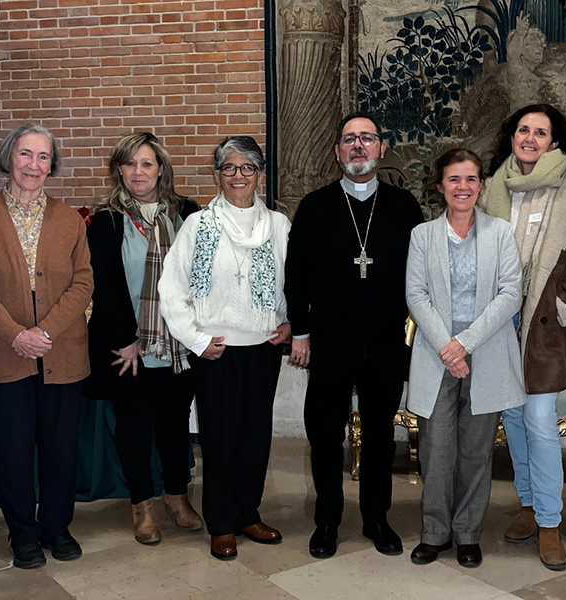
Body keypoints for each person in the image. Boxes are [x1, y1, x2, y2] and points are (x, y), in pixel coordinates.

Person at [285, 111, 424, 559]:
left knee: (381, 435)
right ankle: (327, 520)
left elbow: (419, 278)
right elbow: (296, 276)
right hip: (328, 341)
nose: (358, 146)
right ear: (337, 151)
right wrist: (300, 332)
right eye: (349, 139)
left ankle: (376, 518)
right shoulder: (315, 206)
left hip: (385, 342)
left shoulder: (404, 207)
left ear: (382, 149)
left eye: (367, 138)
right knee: (325, 433)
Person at [478, 103, 566, 571]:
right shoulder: (492, 188)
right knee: (512, 417)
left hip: (544, 327)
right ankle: (529, 506)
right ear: (512, 137)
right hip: (498, 324)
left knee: (538, 419)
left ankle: (550, 523)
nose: (530, 138)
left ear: (554, 142)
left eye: (541, 132)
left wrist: (564, 300)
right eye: (523, 130)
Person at [0, 124, 93, 570]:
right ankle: (23, 534)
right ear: (9, 158)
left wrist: (46, 332)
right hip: (5, 354)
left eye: (43, 157)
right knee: (11, 450)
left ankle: (57, 528)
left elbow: (83, 283)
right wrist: (17, 334)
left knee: (60, 450)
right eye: (25, 154)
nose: (33, 165)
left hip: (63, 354)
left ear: (51, 165)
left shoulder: (69, 219)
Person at [158, 136, 291, 561]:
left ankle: (247, 513)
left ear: (259, 174)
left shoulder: (279, 225)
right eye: (229, 168)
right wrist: (196, 339)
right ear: (217, 175)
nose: (238, 176)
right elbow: (172, 286)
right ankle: (220, 522)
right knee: (220, 438)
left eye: (247, 167)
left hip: (262, 346)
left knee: (255, 436)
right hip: (216, 349)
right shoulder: (199, 226)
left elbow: (291, 280)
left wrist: (288, 322)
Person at [405, 148, 525, 568]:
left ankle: (468, 533)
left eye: (471, 179)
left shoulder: (500, 233)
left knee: (476, 451)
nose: (463, 187)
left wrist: (465, 344)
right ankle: (435, 532)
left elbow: (511, 293)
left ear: (481, 185)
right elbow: (415, 295)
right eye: (454, 179)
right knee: (436, 450)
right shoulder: (422, 236)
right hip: (437, 357)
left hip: (485, 354)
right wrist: (448, 348)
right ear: (441, 186)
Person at [84, 132, 202, 545]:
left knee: (174, 425)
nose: (138, 172)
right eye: (130, 163)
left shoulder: (186, 213)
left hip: (179, 346)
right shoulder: (107, 220)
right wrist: (126, 339)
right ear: (119, 169)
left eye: (147, 163)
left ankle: (176, 495)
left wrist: (196, 333)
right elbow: (105, 284)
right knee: (134, 427)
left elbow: (200, 277)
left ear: (161, 169)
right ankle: (142, 505)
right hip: (130, 347)